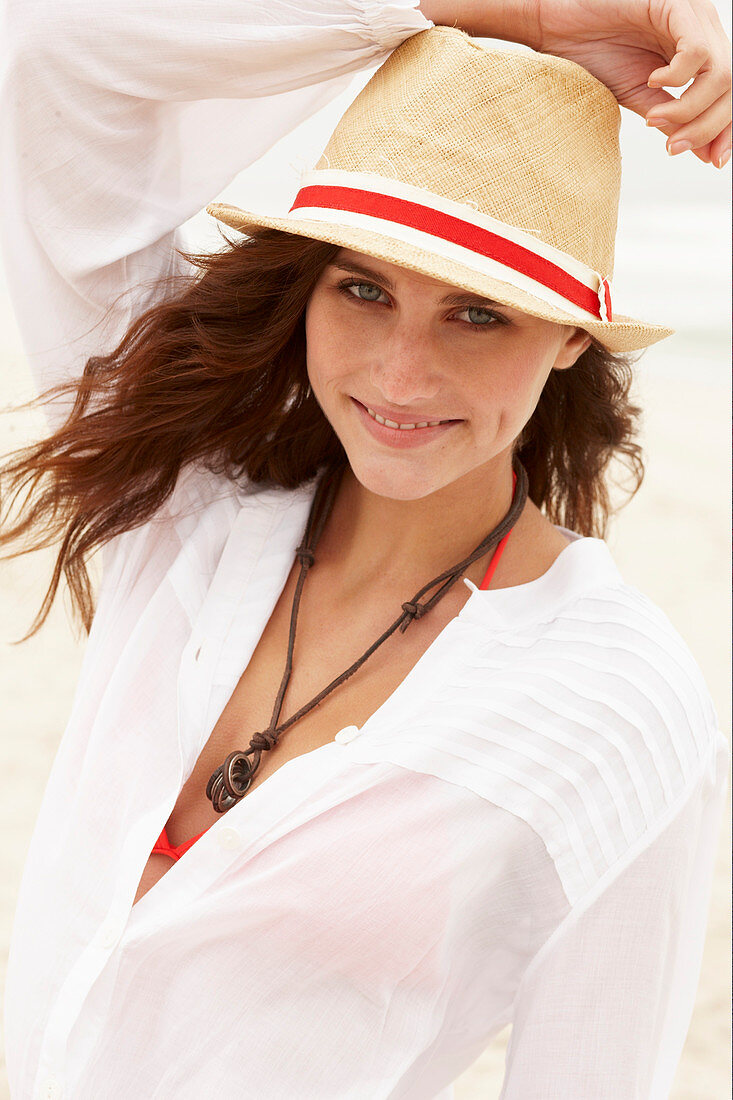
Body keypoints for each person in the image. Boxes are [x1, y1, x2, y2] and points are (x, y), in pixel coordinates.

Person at [0, 1, 730, 1098]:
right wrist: (515, 13)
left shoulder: (617, 705)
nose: (398, 375)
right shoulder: (189, 508)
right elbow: (55, 58)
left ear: (572, 337)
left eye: (477, 314)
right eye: (363, 287)